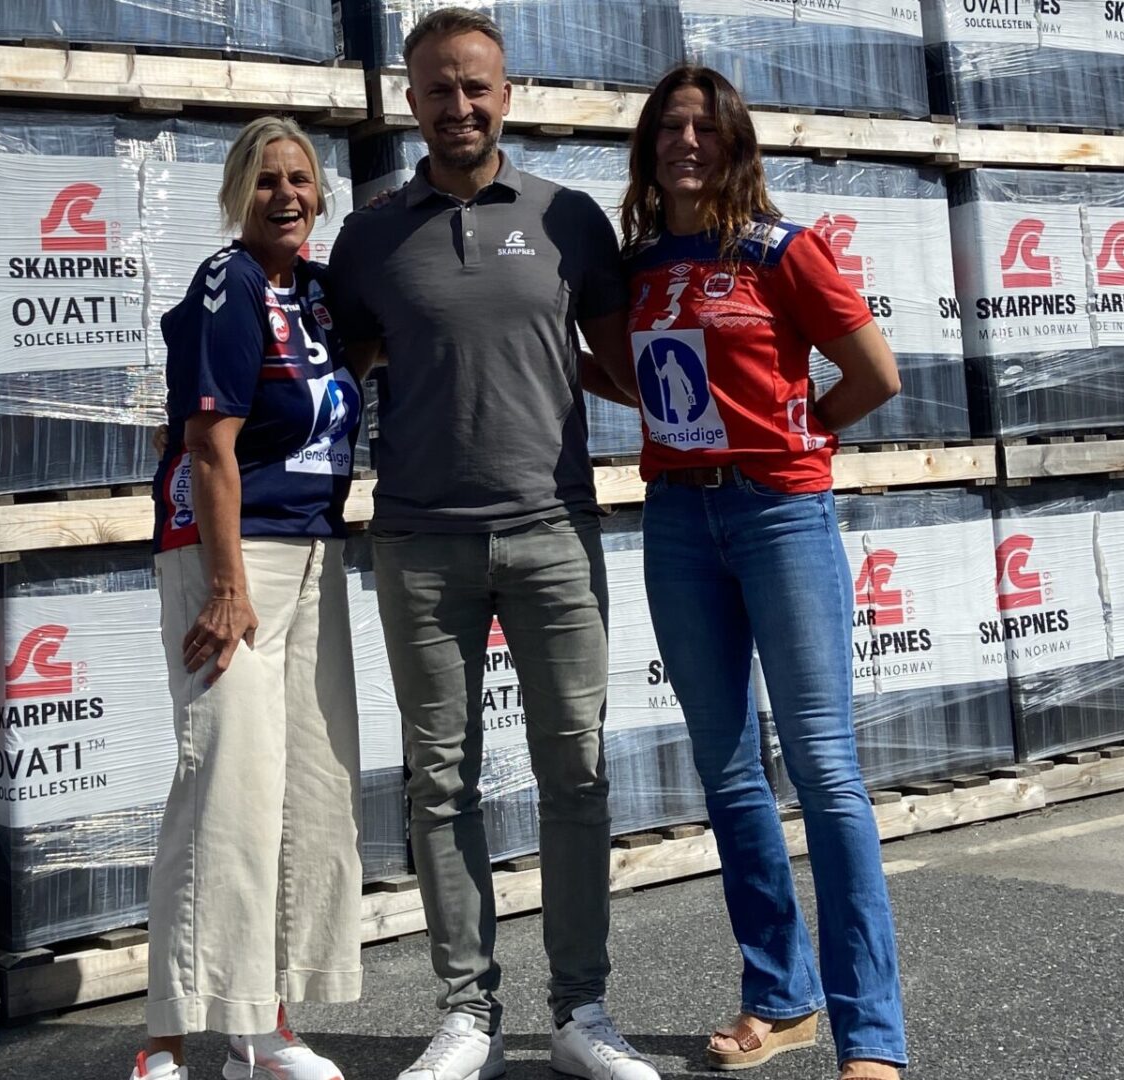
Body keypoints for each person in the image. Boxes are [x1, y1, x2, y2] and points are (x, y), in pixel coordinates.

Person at [325, 9, 650, 1080]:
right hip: (420, 544)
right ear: (409, 100)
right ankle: (468, 1016)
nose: (458, 106)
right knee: (441, 784)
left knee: (578, 777)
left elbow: (624, 368)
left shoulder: (570, 220)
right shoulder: (368, 237)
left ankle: (581, 1012)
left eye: (476, 87)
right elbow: (336, 383)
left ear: (507, 96)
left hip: (554, 532)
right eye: (438, 89)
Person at [617, 66, 908, 1080]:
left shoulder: (782, 250)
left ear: (735, 144)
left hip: (780, 510)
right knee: (730, 771)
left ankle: (872, 1035)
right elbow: (620, 371)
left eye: (706, 127)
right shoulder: (638, 264)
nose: (686, 142)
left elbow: (874, 373)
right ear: (649, 146)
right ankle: (781, 999)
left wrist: (799, 432)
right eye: (670, 127)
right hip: (676, 518)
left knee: (824, 767)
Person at [135, 115, 365, 1080]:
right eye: (267, 180)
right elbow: (207, 444)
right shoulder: (228, 283)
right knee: (223, 790)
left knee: (304, 793)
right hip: (230, 561)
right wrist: (227, 586)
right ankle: (164, 1039)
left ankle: (260, 1028)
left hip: (311, 555)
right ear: (238, 193)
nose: (286, 195)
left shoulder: (316, 294)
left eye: (300, 179)